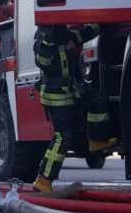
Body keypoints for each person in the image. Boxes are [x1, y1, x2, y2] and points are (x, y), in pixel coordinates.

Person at [33, 24, 117, 192]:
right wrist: (49, 39)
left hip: (69, 90)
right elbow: (43, 62)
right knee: (62, 137)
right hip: (55, 95)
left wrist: (100, 23)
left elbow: (82, 35)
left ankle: (96, 140)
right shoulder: (43, 37)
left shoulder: (64, 34)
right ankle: (43, 180)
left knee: (96, 99)